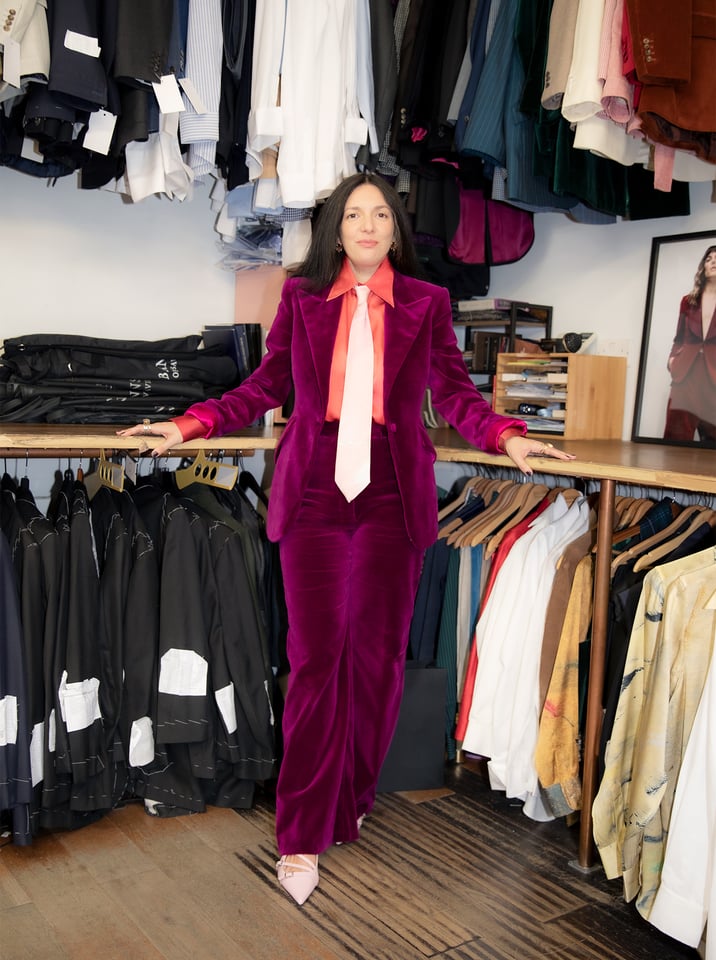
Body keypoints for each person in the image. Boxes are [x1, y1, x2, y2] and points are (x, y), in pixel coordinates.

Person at [118, 172, 575, 905]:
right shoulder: (301, 300)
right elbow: (264, 389)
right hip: (316, 493)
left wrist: (508, 437)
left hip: (394, 494)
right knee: (316, 663)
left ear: (396, 230)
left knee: (376, 664)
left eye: (381, 215)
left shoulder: (427, 304)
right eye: (354, 214)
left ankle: (351, 795)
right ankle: (300, 834)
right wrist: (188, 425)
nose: (367, 225)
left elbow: (455, 393)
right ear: (335, 229)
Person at [663, 244, 716, 445]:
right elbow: (680, 337)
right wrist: (672, 360)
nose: (713, 262)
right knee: (676, 437)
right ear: (703, 267)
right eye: (709, 259)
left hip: (713, 376)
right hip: (686, 373)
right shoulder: (688, 301)